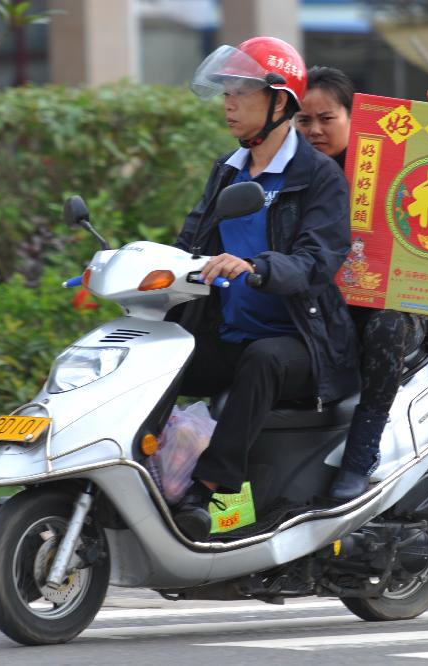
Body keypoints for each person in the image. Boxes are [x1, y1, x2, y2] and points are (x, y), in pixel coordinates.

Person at [170, 38, 359, 540]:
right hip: (233, 331)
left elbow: (317, 261)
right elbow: (190, 240)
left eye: (242, 91)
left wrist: (256, 267)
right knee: (165, 356)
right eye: (226, 91)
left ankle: (212, 486)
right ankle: (146, 472)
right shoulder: (228, 168)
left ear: (279, 102)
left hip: (302, 342)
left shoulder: (318, 176)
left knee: (264, 359)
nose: (229, 102)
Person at [294, 66, 428, 500]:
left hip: (393, 305)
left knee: (386, 327)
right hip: (320, 306)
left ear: (356, 117)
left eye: (326, 118)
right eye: (303, 120)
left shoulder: (392, 159)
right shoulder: (288, 172)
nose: (314, 130)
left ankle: (360, 456)